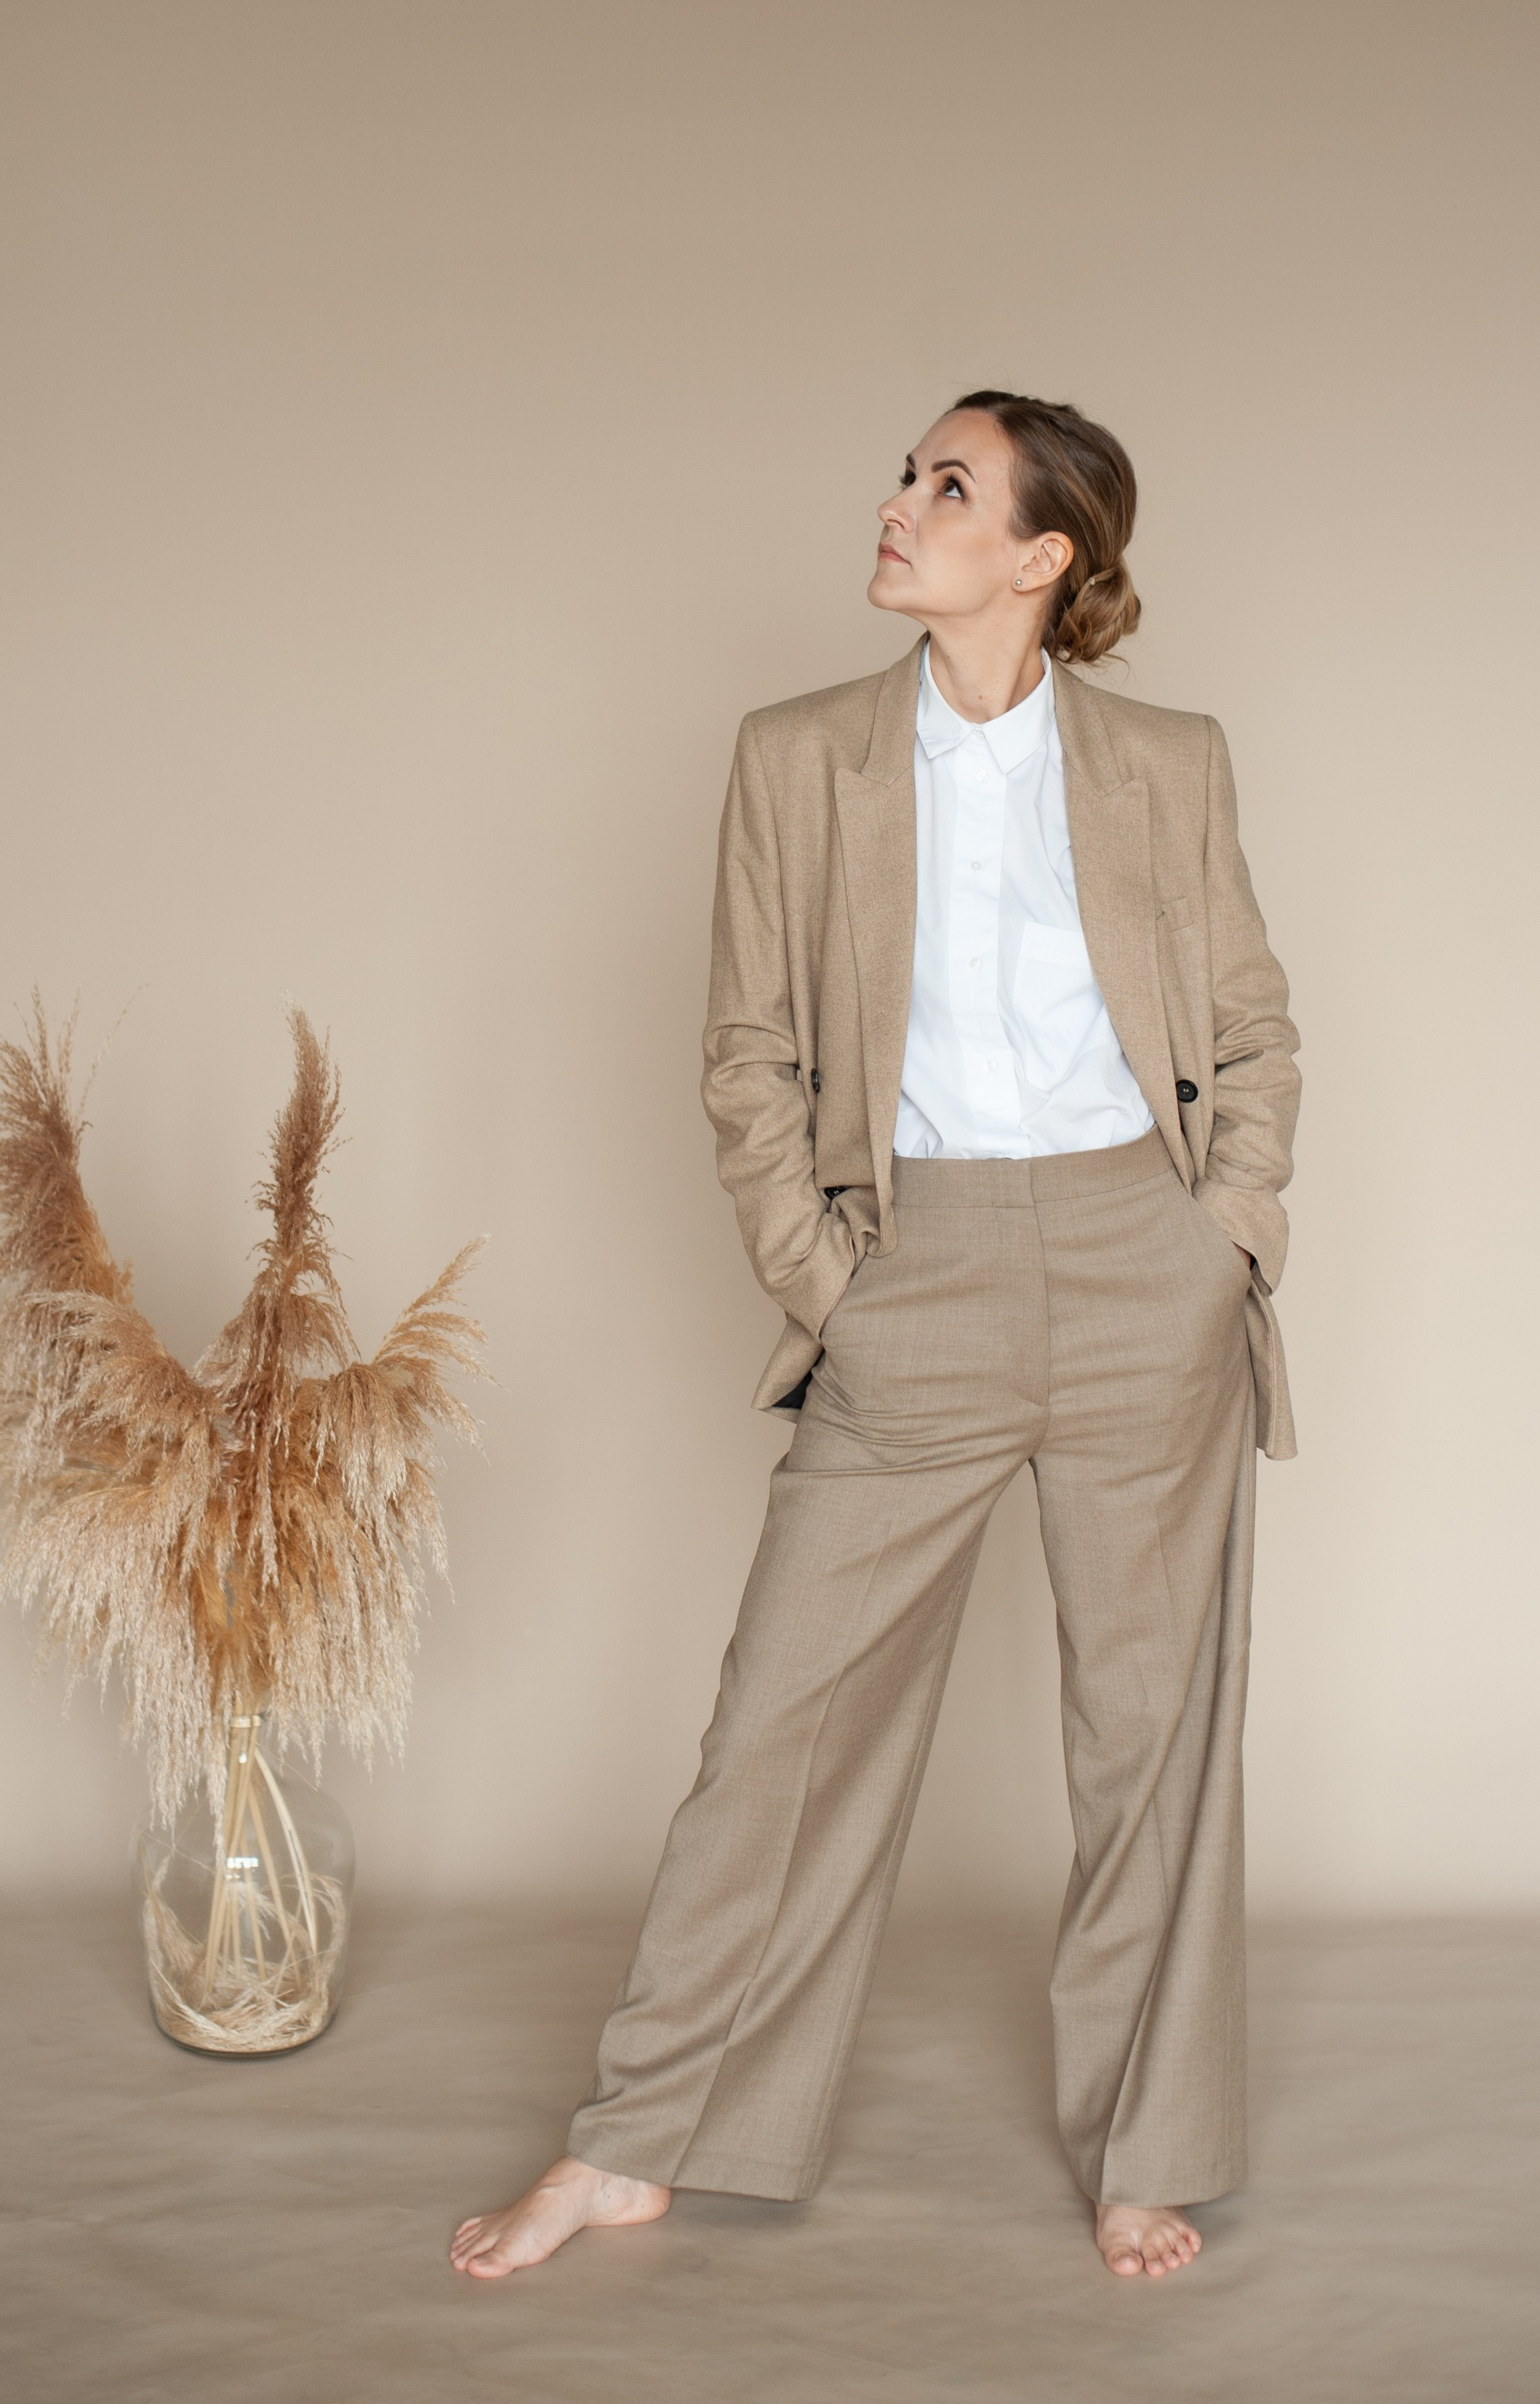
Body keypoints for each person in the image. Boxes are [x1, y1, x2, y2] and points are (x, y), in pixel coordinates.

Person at [451, 389, 1299, 2283]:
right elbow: (747, 1054)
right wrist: (827, 1290)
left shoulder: (1171, 760)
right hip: (908, 1272)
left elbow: (1248, 1020)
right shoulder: (796, 756)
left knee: (1147, 1737)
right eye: (905, 473)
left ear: (1041, 555)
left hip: (1132, 1256)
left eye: (944, 485)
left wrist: (1218, 1241)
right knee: (780, 1725)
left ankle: (1142, 2149)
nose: (896, 505)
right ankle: (638, 2135)